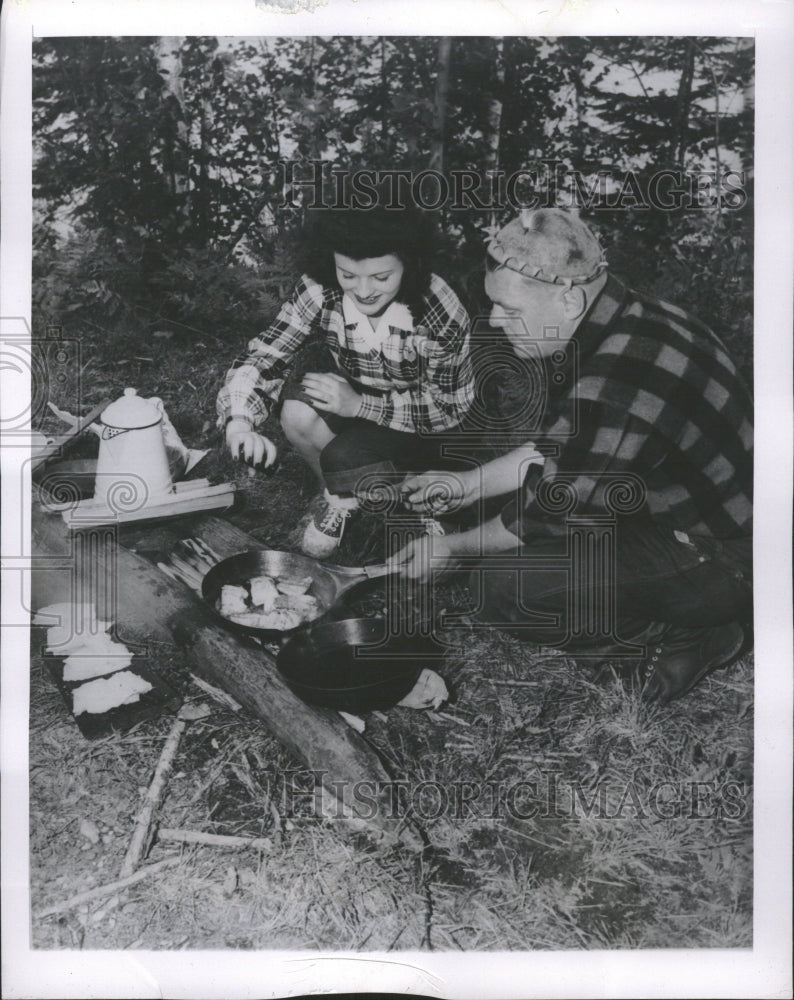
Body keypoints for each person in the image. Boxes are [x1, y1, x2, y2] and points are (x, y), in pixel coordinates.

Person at [391, 207, 753, 704]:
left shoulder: (614, 384)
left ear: (568, 298)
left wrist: (453, 548)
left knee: (501, 589)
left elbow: (542, 515)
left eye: (510, 310)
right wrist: (463, 485)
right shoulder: (632, 318)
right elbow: (562, 448)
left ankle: (690, 635)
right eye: (494, 304)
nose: (495, 323)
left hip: (724, 555)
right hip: (694, 510)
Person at [216, 193, 475, 558]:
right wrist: (239, 423)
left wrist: (362, 406)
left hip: (430, 422)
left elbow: (449, 408)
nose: (364, 291)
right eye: (348, 275)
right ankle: (340, 497)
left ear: (410, 265)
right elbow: (266, 354)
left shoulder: (439, 308)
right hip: (362, 398)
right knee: (298, 409)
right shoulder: (319, 289)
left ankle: (426, 499)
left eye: (381, 276)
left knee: (350, 453)